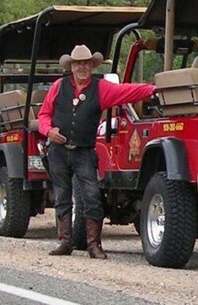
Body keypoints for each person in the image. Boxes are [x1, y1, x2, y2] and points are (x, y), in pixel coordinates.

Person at [38, 44, 156, 259]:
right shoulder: (58, 86)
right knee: (62, 197)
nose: (82, 67)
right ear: (71, 66)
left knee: (92, 197)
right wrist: (49, 131)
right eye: (78, 64)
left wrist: (153, 89)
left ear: (92, 66)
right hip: (58, 151)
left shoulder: (101, 88)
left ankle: (94, 244)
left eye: (86, 63)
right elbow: (44, 116)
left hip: (83, 151)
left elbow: (128, 91)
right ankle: (65, 242)